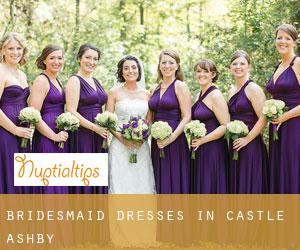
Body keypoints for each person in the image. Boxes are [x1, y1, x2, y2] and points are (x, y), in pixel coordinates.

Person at [106, 55, 156, 194]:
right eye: (126, 68)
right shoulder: (113, 93)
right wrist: (123, 140)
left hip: (140, 146)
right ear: (121, 72)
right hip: (119, 145)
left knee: (141, 182)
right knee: (121, 183)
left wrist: (141, 138)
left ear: (139, 70)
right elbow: (108, 121)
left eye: (133, 67)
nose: (130, 71)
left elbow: (149, 121)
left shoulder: (147, 95)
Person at [66, 43, 108, 194]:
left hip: (99, 134)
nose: (92, 62)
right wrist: (94, 127)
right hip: (83, 134)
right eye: (88, 57)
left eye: (95, 59)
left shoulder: (95, 81)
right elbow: (71, 110)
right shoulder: (75, 80)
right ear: (79, 58)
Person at [149, 49, 191, 194]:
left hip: (175, 139)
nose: (167, 66)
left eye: (171, 62)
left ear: (177, 66)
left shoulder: (180, 86)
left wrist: (171, 138)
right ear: (159, 66)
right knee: (159, 177)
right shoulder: (155, 88)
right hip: (157, 141)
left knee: (174, 177)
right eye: (164, 62)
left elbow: (187, 117)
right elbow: (150, 117)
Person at [28, 44, 68, 193]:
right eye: (52, 58)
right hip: (47, 136)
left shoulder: (58, 81)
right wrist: (54, 136)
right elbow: (33, 114)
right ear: (44, 60)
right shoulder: (42, 81)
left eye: (60, 58)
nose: (56, 61)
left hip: (60, 136)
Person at [266, 24, 300, 193]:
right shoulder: (278, 66)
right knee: (280, 169)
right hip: (277, 127)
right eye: (279, 37)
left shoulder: (298, 63)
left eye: (287, 38)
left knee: (293, 168)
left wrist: (284, 117)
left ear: (294, 42)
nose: (283, 41)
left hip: (295, 126)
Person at [227, 50, 268, 193]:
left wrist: (247, 139)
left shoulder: (253, 88)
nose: (238, 66)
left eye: (242, 63)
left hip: (251, 145)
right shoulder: (231, 91)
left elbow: (264, 118)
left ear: (249, 66)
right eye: (234, 64)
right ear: (230, 68)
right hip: (235, 145)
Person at [0, 32, 32, 194]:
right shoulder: (0, 71)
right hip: (6, 132)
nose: (15, 52)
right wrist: (14, 129)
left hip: (23, 133)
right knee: (9, 174)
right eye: (11, 48)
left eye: (19, 48)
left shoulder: (22, 74)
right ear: (3, 50)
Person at [191, 59, 229, 193]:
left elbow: (225, 125)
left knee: (211, 184)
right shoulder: (198, 95)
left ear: (212, 74)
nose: (201, 74)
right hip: (200, 148)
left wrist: (202, 140)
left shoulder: (216, 95)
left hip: (213, 148)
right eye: (198, 71)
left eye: (205, 71)